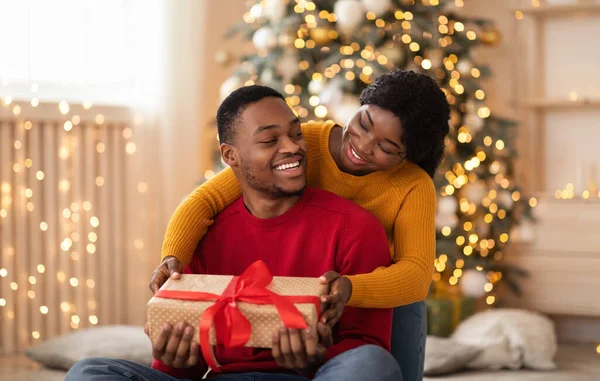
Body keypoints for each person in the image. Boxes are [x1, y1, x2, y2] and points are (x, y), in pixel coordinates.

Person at [65, 85, 402, 381]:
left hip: (308, 379)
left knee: (373, 364)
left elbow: (368, 348)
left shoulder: (355, 227)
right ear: (231, 156)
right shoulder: (205, 233)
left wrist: (313, 360)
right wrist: (175, 359)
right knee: (88, 373)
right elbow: (184, 371)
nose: (292, 148)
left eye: (296, 134)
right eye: (270, 140)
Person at [150, 69, 450, 381]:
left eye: (386, 148)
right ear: (359, 106)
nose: (362, 144)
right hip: (303, 279)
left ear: (407, 156)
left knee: (382, 363)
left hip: (377, 289)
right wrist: (173, 258)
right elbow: (203, 201)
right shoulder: (300, 143)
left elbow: (415, 275)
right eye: (363, 123)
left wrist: (351, 288)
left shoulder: (413, 185)